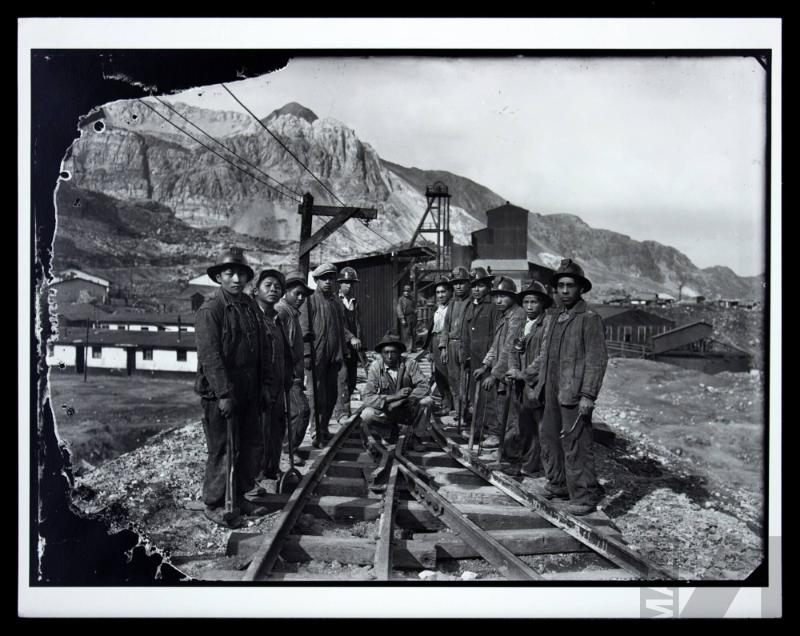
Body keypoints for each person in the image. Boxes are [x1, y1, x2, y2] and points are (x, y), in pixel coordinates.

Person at [194, 247, 274, 526]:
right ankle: (215, 503)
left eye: (241, 273)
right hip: (221, 393)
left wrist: (264, 385)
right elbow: (210, 356)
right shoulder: (210, 309)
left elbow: (263, 347)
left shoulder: (250, 306)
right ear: (219, 277)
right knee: (222, 448)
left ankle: (239, 496)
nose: (237, 279)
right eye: (230, 273)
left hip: (250, 389)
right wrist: (223, 394)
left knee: (250, 444)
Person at [532, 259, 608, 516]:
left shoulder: (589, 318)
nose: (564, 291)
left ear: (581, 290)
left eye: (570, 286)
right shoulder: (554, 317)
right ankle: (558, 484)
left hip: (573, 393)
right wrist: (539, 383)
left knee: (577, 443)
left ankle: (584, 496)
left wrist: (588, 394)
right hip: (552, 390)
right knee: (550, 438)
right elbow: (545, 355)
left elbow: (597, 360)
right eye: (560, 286)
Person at [300, 263, 358, 447]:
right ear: (316, 280)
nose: (328, 282)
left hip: (335, 356)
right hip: (317, 357)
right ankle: (316, 432)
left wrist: (344, 350)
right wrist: (307, 355)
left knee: (332, 393)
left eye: (331, 278)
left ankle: (324, 428)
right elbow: (304, 330)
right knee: (317, 395)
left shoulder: (335, 302)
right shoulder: (309, 301)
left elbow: (341, 328)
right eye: (324, 278)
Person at [502, 280, 554, 477]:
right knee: (524, 425)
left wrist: (523, 374)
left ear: (542, 304)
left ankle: (545, 470)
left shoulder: (547, 325)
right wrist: (513, 369)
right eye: (526, 302)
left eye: (534, 302)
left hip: (537, 384)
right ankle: (528, 464)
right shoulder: (522, 324)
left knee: (541, 428)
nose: (530, 306)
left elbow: (544, 356)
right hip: (520, 384)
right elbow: (512, 351)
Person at [472, 276, 526, 457]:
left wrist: (494, 374)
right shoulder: (505, 316)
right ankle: (504, 447)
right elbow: (496, 345)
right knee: (502, 410)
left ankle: (511, 454)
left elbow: (509, 347)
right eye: (496, 297)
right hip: (502, 373)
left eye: (503, 296)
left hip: (510, 372)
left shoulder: (517, 316)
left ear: (513, 297)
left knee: (511, 415)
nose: (498, 300)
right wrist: (485, 365)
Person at [252, 268, 294, 493]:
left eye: (277, 286)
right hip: (259, 387)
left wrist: (288, 374)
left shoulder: (276, 320)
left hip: (278, 385)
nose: (273, 289)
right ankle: (257, 475)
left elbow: (284, 352)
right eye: (268, 285)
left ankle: (272, 469)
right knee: (261, 430)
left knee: (277, 427)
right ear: (256, 289)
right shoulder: (253, 318)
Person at [361, 332, 431, 453]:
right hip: (387, 408)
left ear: (399, 353)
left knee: (427, 401)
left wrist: (406, 399)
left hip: (407, 407)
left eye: (393, 352)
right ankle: (387, 432)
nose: (389, 356)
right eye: (386, 353)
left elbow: (424, 386)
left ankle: (416, 436)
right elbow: (367, 397)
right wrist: (392, 398)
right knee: (367, 414)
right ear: (381, 354)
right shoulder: (376, 368)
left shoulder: (410, 364)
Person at [275, 271, 313, 466]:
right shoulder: (282, 312)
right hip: (286, 376)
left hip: (293, 374)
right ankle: (286, 450)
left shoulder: (291, 313)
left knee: (294, 412)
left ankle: (287, 449)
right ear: (285, 292)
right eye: (297, 293)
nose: (301, 298)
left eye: (303, 295)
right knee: (301, 411)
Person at [461, 267, 501, 435]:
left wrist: (489, 363)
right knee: (474, 395)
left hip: (488, 360)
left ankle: (492, 432)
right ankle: (477, 428)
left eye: (480, 285)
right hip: (474, 358)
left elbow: (497, 337)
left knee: (489, 396)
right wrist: (465, 355)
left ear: (488, 286)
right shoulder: (470, 305)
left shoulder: (493, 306)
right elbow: (467, 333)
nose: (476, 290)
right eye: (473, 286)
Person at [439, 266, 472, 419]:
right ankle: (459, 412)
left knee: (465, 382)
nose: (458, 286)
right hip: (451, 345)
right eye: (455, 283)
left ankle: (467, 413)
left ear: (468, 284)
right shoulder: (452, 304)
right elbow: (446, 326)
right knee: (453, 380)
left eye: (462, 283)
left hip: (464, 346)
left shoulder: (472, 303)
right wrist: (443, 347)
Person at [334, 266, 363, 419]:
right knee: (342, 379)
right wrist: (350, 337)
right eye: (346, 282)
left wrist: (359, 341)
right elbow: (338, 325)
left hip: (353, 348)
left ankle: (344, 409)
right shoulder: (334, 301)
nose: (349, 285)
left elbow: (358, 324)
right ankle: (342, 413)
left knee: (351, 380)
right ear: (340, 283)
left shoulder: (354, 302)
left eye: (351, 283)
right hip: (340, 347)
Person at [423, 278, 454, 415]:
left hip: (447, 343)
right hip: (436, 342)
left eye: (443, 292)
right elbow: (432, 331)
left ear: (450, 292)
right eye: (438, 292)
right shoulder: (436, 310)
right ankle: (445, 402)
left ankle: (452, 406)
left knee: (449, 375)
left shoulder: (453, 308)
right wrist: (430, 350)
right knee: (439, 375)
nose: (440, 295)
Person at [396, 284, 417, 352]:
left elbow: (415, 306)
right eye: (405, 291)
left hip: (413, 317)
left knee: (413, 332)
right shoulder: (401, 299)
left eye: (408, 291)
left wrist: (416, 311)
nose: (407, 292)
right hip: (406, 317)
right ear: (403, 292)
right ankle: (408, 348)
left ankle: (413, 348)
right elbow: (399, 309)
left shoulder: (412, 298)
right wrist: (402, 319)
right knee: (406, 333)